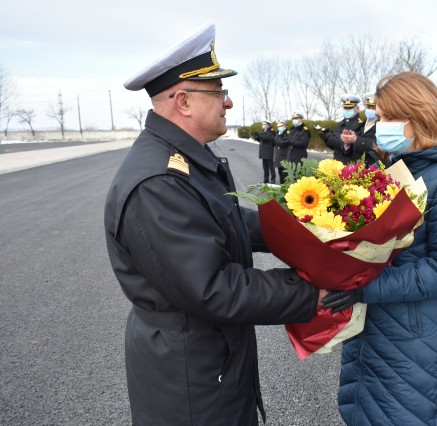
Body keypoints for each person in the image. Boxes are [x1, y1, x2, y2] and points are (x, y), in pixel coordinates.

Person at [103, 23, 326, 425]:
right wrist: (314, 292)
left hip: (208, 358)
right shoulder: (158, 182)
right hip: (189, 378)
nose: (229, 102)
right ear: (184, 102)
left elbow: (228, 219)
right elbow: (213, 288)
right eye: (219, 92)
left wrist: (307, 227)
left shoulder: (186, 159)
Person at [322, 72, 437, 425]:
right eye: (378, 117)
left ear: (419, 116)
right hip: (372, 322)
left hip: (412, 334)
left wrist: (366, 287)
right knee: (363, 410)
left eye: (389, 118)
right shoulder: (395, 166)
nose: (379, 126)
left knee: (401, 413)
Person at [318, 94, 364, 163]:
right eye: (345, 108)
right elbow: (334, 146)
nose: (347, 110)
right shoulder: (341, 123)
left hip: (349, 164)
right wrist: (326, 137)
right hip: (337, 162)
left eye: (350, 108)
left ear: (357, 108)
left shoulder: (360, 125)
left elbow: (343, 144)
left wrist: (329, 137)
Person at [273, 119, 289, 183]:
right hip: (278, 156)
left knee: (284, 174)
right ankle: (281, 186)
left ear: (284, 126)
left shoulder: (287, 133)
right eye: (279, 126)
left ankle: (285, 187)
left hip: (284, 156)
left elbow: (284, 143)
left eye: (281, 126)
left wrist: (277, 141)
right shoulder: (278, 133)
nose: (279, 127)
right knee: (280, 173)